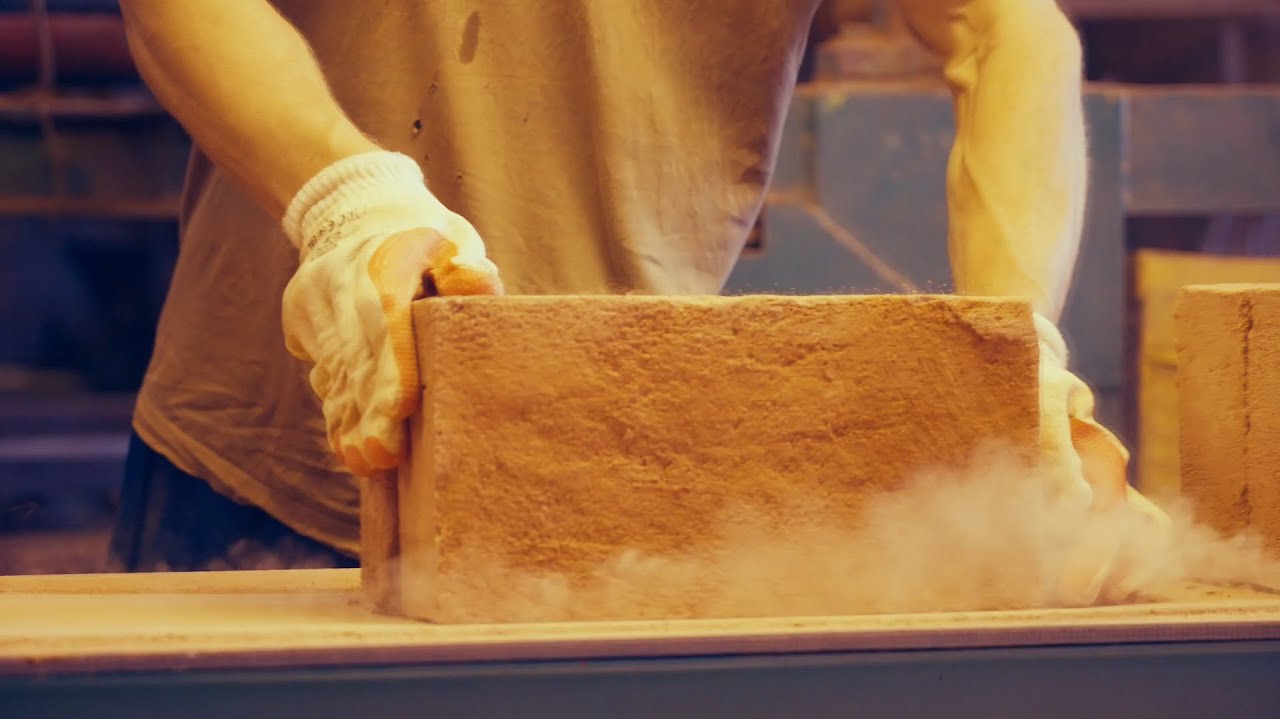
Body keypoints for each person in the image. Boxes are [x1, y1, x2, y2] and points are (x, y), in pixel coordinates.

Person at [108, 0, 1168, 599]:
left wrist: (1014, 357)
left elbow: (1008, 31)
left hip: (614, 494)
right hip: (264, 467)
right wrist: (347, 201)